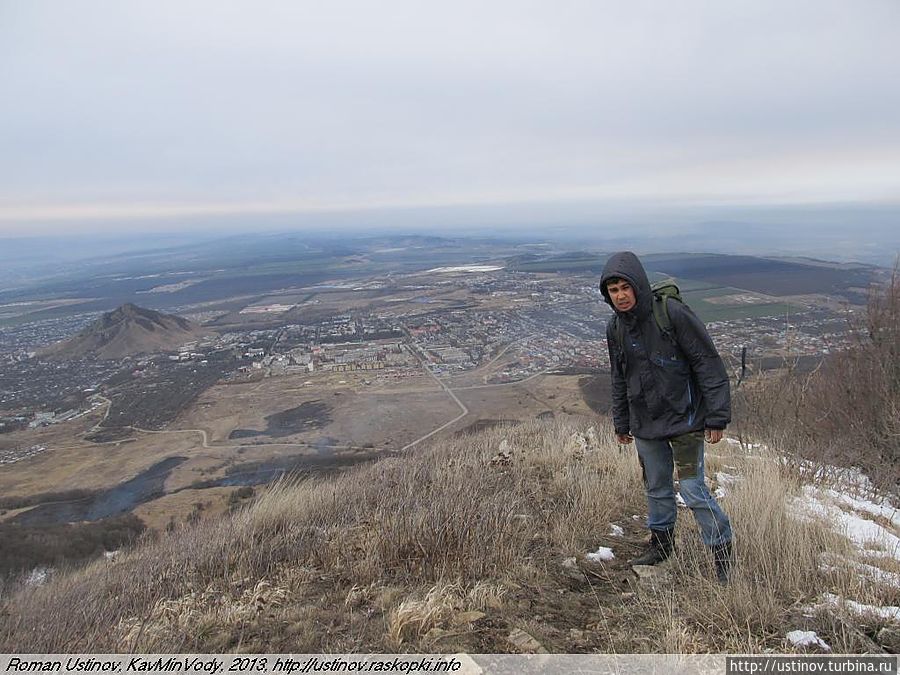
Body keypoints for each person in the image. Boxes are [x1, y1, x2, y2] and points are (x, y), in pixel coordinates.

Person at [600, 251, 734, 582]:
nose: (620, 295)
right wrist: (622, 421)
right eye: (613, 290)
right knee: (656, 487)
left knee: (692, 489)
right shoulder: (615, 328)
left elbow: (707, 361)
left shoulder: (670, 312)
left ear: (638, 285)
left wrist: (717, 416)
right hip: (646, 422)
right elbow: (619, 377)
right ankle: (661, 546)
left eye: (624, 287)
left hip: (685, 417)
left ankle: (721, 554)